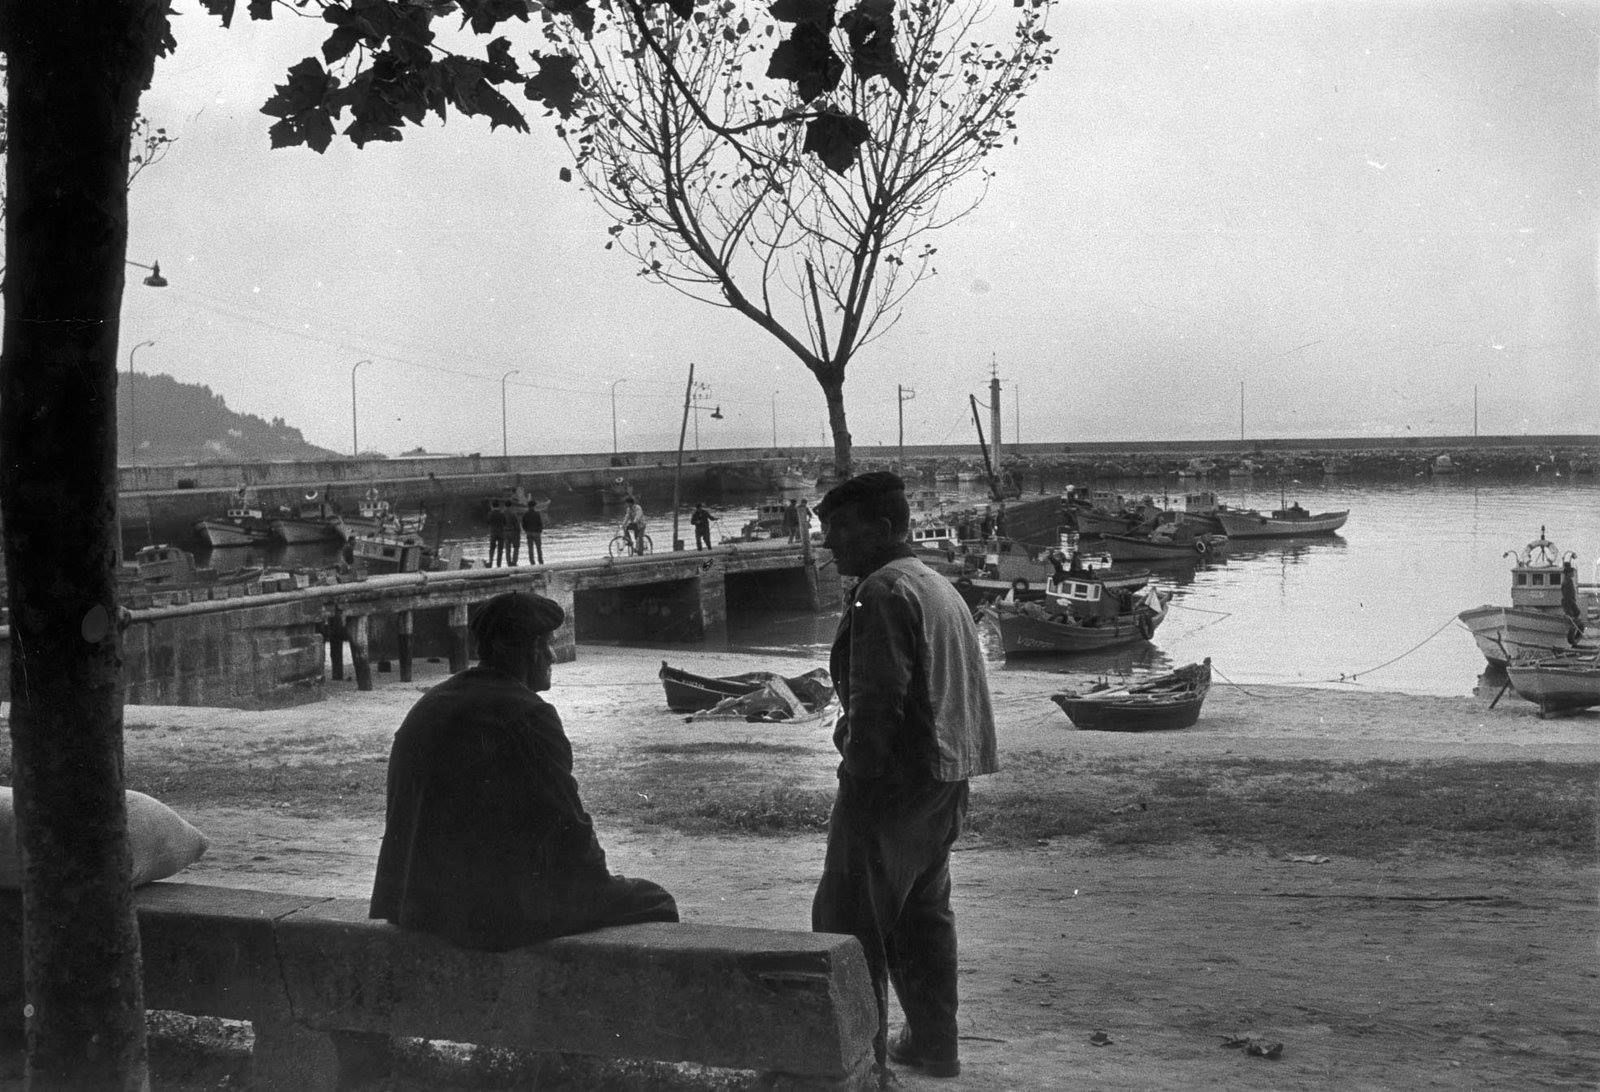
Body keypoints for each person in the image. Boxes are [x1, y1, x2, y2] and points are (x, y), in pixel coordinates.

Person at [810, 471, 998, 1082]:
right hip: (944, 780)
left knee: (848, 924)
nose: (830, 541)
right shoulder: (936, 584)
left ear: (885, 527)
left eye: (840, 527)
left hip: (892, 789)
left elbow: (877, 706)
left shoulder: (881, 592)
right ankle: (933, 1046)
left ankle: (864, 1068)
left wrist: (857, 776)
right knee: (922, 918)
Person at [370, 591, 679, 950]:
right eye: (544, 645)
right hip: (490, 917)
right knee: (656, 900)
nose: (550, 656)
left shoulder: (430, 704)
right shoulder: (529, 716)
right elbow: (568, 827)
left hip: (414, 904)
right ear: (522, 650)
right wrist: (600, 886)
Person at [486, 502, 507, 567]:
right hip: (501, 533)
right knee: (500, 549)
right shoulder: (502, 514)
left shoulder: (490, 514)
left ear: (492, 506)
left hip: (493, 533)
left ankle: (490, 562)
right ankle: (499, 564)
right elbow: (505, 523)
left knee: (492, 548)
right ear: (499, 506)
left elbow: (488, 522)